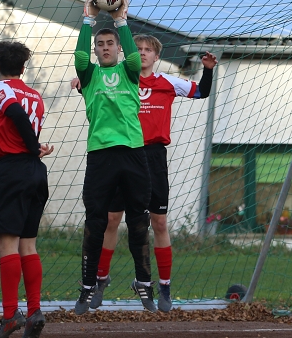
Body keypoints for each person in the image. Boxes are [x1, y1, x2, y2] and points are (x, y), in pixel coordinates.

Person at [72, 36, 217, 312]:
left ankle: (164, 286)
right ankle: (100, 280)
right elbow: (92, 85)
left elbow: (201, 92)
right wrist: (80, 81)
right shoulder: (117, 77)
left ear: (156, 56)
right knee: (111, 219)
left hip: (152, 157)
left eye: (148, 50)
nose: (142, 53)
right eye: (137, 49)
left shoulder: (167, 82)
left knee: (158, 223)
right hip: (122, 153)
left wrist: (208, 70)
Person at [73, 0, 157, 313]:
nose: (105, 47)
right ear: (96, 49)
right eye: (101, 44)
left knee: (138, 222)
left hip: (133, 153)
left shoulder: (129, 71)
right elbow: (80, 58)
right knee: (96, 222)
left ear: (118, 48)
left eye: (110, 43)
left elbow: (135, 58)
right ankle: (87, 286)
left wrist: (121, 19)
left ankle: (144, 283)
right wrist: (88, 20)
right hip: (101, 155)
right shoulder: (90, 75)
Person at [0, 41, 54, 338]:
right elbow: (17, 122)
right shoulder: (35, 95)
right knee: (28, 245)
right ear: (23, 68)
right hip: (35, 173)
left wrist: (33, 146)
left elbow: (16, 115)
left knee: (7, 246)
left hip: (13, 170)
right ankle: (34, 311)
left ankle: (10, 315)